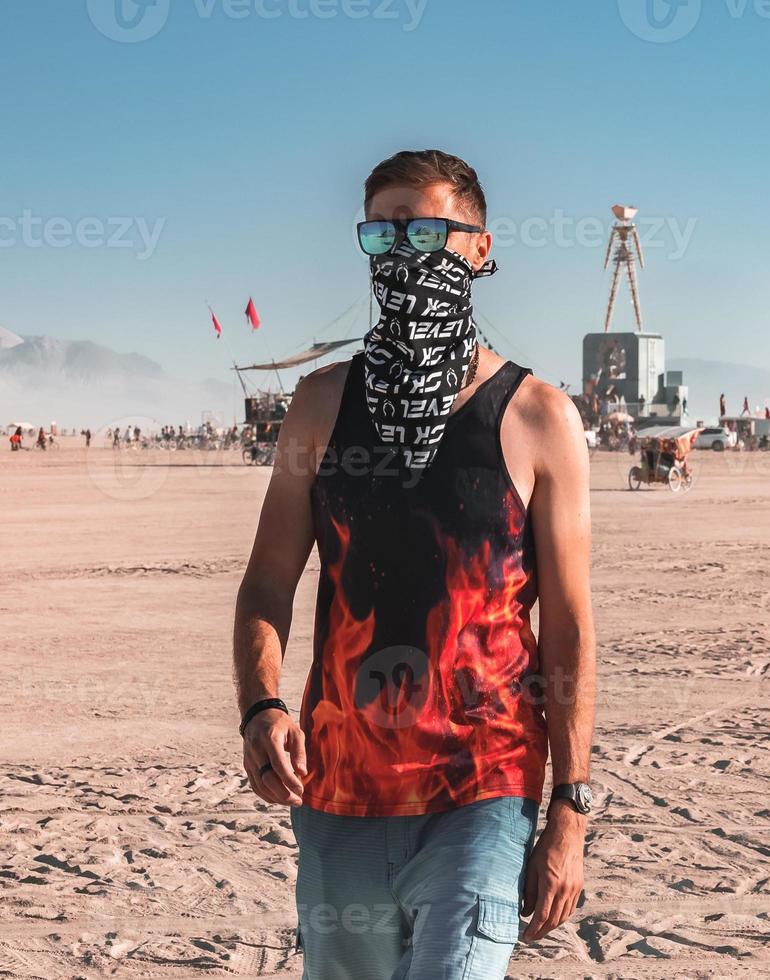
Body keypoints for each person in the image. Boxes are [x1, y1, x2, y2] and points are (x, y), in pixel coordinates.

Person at [232, 149, 595, 979]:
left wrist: (568, 809)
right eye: (383, 233)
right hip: (338, 788)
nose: (403, 252)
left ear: (478, 248)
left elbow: (569, 625)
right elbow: (266, 580)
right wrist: (259, 707)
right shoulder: (321, 404)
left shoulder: (538, 417)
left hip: (486, 782)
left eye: (427, 229)